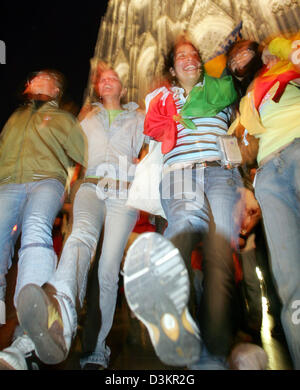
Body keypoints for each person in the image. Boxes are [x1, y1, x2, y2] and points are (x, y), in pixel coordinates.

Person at [3, 64, 145, 370]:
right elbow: (63, 149)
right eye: (101, 79)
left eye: (113, 79)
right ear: (97, 88)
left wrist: (143, 161)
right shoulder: (84, 117)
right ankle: (59, 309)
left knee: (107, 273)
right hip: (91, 187)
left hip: (123, 192)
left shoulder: (138, 116)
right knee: (80, 238)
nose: (107, 81)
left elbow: (152, 147)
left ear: (121, 88)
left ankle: (96, 349)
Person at [123, 36, 246, 369]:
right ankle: (162, 288)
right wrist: (171, 113)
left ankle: (212, 349)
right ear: (172, 67)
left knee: (221, 251)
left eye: (194, 55)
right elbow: (152, 128)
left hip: (222, 173)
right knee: (187, 220)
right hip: (181, 170)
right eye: (181, 56)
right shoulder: (162, 97)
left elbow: (237, 91)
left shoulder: (219, 88)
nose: (189, 59)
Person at [0, 69, 87, 369]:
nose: (33, 80)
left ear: (55, 88)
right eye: (32, 78)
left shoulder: (64, 119)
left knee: (36, 230)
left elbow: (84, 154)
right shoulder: (14, 118)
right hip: (8, 183)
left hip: (46, 180)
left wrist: (81, 191)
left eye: (42, 78)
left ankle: (28, 330)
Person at [228, 34, 300, 369]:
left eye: (244, 51)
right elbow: (236, 148)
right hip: (269, 175)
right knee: (290, 282)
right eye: (233, 60)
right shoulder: (245, 102)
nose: (238, 59)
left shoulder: (286, 65)